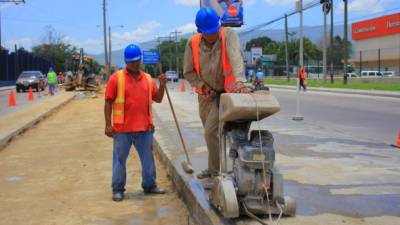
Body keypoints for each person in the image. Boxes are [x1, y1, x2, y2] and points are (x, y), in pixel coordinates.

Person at [183, 7, 251, 185]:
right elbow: (188, 72)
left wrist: (240, 82)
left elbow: (235, 57)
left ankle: (219, 175)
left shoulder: (228, 34)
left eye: (215, 30)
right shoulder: (193, 43)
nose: (213, 34)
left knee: (212, 132)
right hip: (206, 96)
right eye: (209, 32)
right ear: (200, 30)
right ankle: (214, 168)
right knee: (211, 135)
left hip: (229, 93)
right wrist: (202, 86)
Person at [104, 44, 167, 202]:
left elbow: (157, 99)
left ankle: (150, 186)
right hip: (122, 129)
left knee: (148, 161)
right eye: (131, 62)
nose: (134, 64)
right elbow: (108, 102)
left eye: (137, 61)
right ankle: (118, 189)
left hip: (144, 128)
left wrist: (163, 85)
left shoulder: (147, 78)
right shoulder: (116, 78)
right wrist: (107, 124)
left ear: (140, 60)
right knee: (119, 160)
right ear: (126, 61)